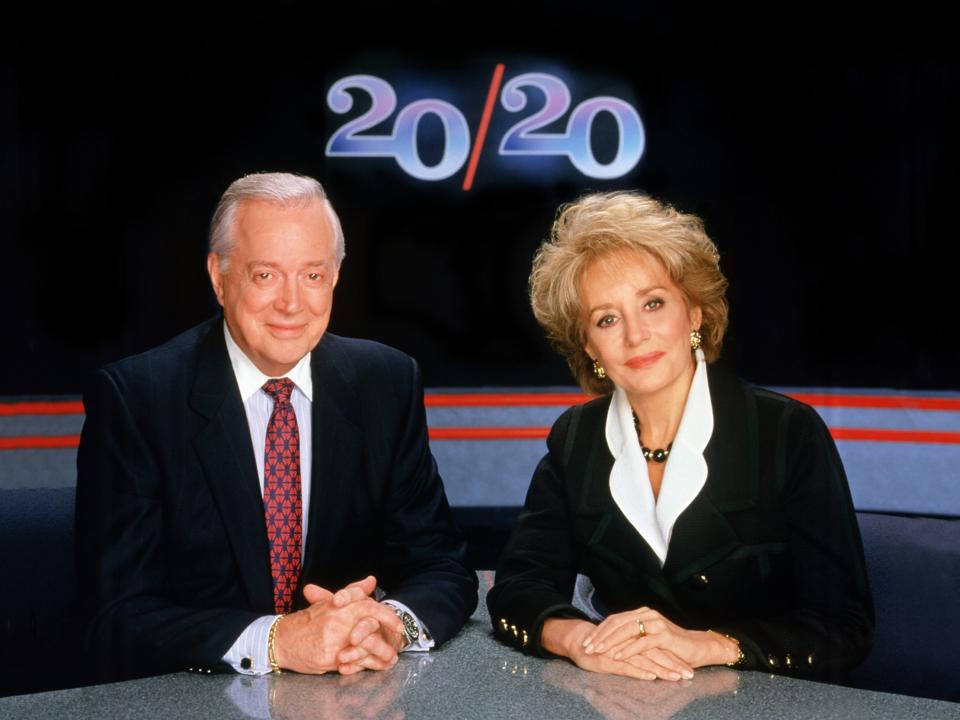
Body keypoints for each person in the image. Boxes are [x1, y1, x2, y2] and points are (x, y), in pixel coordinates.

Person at [75, 172, 477, 681]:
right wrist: (275, 641)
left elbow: (443, 568)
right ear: (219, 277)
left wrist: (388, 625)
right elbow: (114, 617)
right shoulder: (138, 400)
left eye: (312, 275)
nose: (292, 303)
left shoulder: (387, 383)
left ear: (335, 277)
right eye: (265, 275)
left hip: (352, 701)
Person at [487, 192, 873, 682]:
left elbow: (845, 628)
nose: (635, 335)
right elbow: (519, 588)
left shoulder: (785, 431)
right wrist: (583, 641)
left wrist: (707, 645)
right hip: (626, 700)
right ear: (589, 346)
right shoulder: (576, 438)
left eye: (652, 303)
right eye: (607, 318)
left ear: (694, 313)